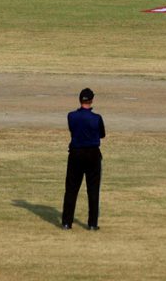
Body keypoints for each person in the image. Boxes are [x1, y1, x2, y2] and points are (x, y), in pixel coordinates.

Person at [61, 88, 106, 230]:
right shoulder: (97, 118)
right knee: (93, 189)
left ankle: (67, 222)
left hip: (76, 154)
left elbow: (73, 130)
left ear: (80, 100)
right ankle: (92, 224)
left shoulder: (71, 116)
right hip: (92, 154)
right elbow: (102, 135)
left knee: (71, 189)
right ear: (91, 100)